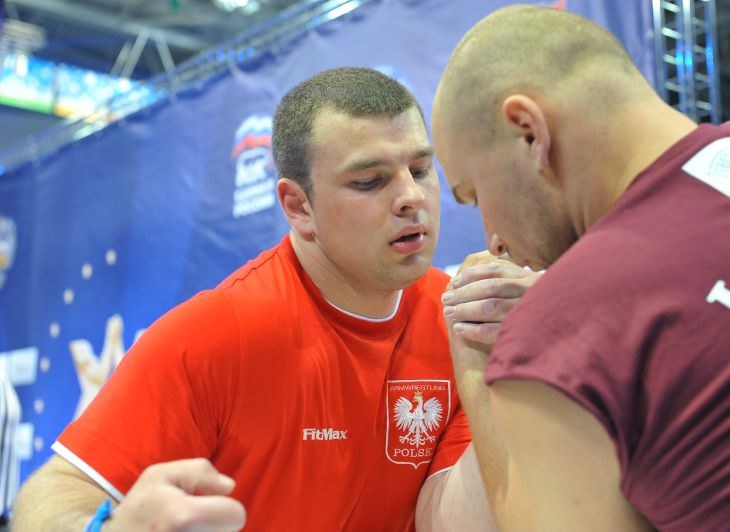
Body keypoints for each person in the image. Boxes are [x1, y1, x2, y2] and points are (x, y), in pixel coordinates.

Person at [11, 67, 530, 531]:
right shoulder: (221, 332)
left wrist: (493, 368)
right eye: (370, 181)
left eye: (419, 169)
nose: (412, 197)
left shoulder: (460, 321)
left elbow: (454, 523)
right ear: (298, 206)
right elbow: (51, 497)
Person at [432, 5, 730, 531]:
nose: (494, 238)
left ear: (528, 131)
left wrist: (474, 364)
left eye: (474, 195)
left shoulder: (561, 337)